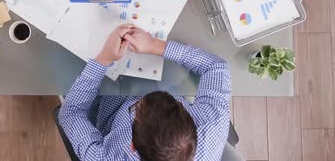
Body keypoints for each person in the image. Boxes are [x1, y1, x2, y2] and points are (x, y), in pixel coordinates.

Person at [58, 24, 232, 161]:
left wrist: (103, 59)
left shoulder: (105, 157)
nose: (140, 96)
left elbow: (70, 113)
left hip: (109, 106)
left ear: (132, 146)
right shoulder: (210, 126)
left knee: (63, 65)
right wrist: (155, 45)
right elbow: (215, 67)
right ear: (191, 120)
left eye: (136, 108)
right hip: (155, 72)